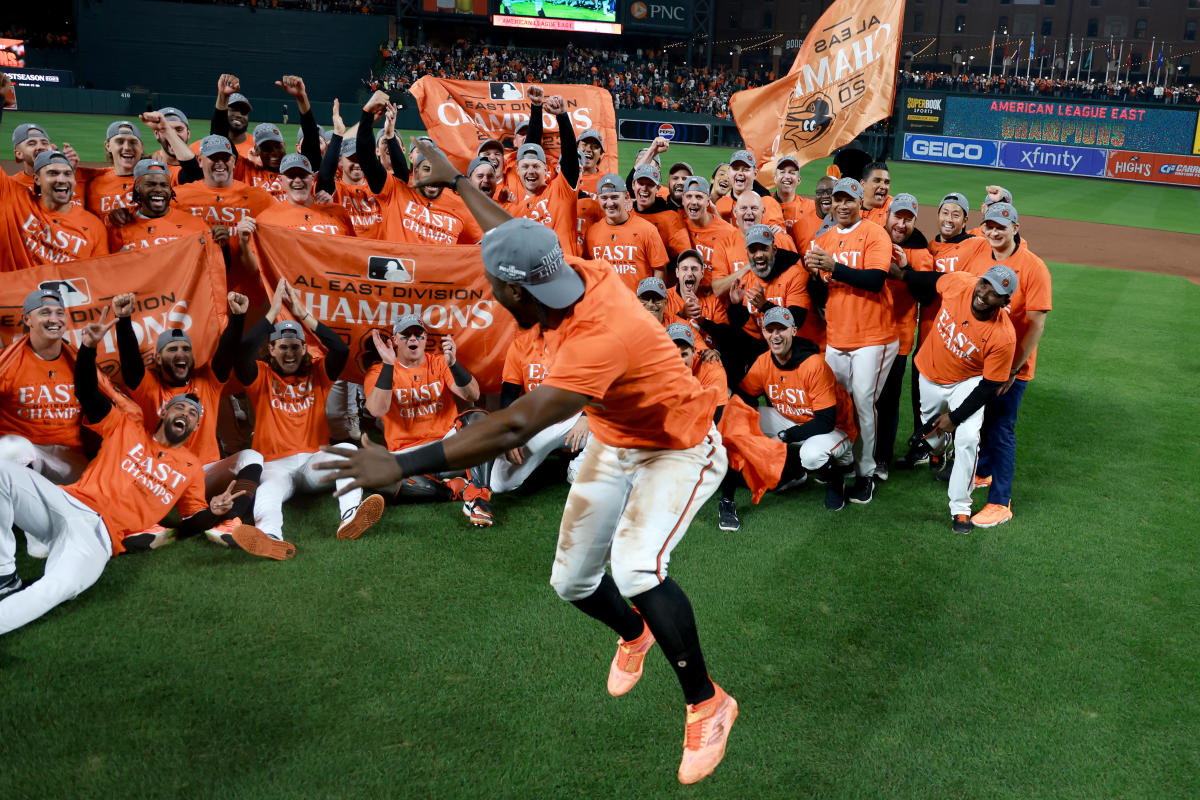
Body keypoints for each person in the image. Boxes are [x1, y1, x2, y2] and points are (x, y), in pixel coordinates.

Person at [319, 142, 738, 785]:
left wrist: (399, 466)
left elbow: (513, 423)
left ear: (511, 291)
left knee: (633, 565)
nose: (491, 289)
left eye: (495, 286)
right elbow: (512, 238)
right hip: (614, 436)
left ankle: (707, 702)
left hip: (677, 447)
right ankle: (635, 634)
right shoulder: (559, 274)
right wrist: (459, 179)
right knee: (572, 582)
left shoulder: (600, 333)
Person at [0, 309, 287, 631]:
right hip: (65, 503)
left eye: (194, 414)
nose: (187, 415)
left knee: (59, 588)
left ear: (195, 426)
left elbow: (192, 521)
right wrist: (89, 349)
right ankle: (3, 572)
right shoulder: (126, 427)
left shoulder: (191, 468)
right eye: (180, 407)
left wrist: (217, 512)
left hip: (99, 537)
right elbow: (86, 392)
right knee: (2, 467)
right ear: (164, 411)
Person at [234, 280, 384, 545]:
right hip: (275, 464)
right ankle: (270, 535)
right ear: (271, 350)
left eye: (295, 346)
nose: (289, 352)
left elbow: (340, 349)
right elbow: (242, 352)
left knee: (348, 450)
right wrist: (273, 313)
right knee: (267, 489)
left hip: (313, 461)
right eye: (283, 346)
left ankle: (350, 516)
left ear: (304, 348)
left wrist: (303, 315)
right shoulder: (261, 374)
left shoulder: (318, 372)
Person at [899, 265, 1018, 534]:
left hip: (968, 382)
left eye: (995, 292)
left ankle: (960, 508)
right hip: (929, 374)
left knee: (966, 438)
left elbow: (988, 386)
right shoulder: (962, 284)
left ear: (1004, 302)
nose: (984, 293)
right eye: (985, 284)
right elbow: (932, 280)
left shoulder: (1003, 336)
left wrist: (954, 418)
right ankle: (938, 449)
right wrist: (904, 273)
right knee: (932, 438)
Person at [804, 177, 896, 504]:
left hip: (874, 335)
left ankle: (866, 471)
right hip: (838, 335)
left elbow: (874, 280)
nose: (842, 205)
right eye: (837, 199)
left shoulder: (875, 233)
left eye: (849, 200)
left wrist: (834, 267)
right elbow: (819, 294)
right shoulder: (824, 239)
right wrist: (814, 275)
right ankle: (841, 460)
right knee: (835, 404)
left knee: (863, 403)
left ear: (860, 204)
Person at [962, 203, 1052, 528]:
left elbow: (1036, 324)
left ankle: (1000, 503)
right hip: (980, 360)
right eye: (989, 225)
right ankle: (983, 473)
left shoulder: (1033, 267)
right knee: (984, 421)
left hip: (1013, 366)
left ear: (1016, 227)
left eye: (1002, 225)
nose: (995, 232)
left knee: (1001, 429)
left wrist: (1013, 369)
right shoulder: (979, 255)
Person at [362, 315, 495, 527]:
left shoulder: (440, 362)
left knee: (478, 417)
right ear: (395, 340)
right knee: (368, 471)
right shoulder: (378, 371)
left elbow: (473, 395)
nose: (412, 338)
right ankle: (452, 489)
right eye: (405, 335)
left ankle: (479, 496)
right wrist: (389, 365)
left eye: (418, 334)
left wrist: (454, 365)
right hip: (408, 457)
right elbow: (377, 409)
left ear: (425, 339)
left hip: (447, 449)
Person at [737, 306, 857, 512]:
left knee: (811, 455)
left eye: (781, 329)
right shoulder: (764, 362)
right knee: (742, 417)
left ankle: (836, 475)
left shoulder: (813, 364)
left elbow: (825, 420)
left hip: (835, 427)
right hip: (796, 420)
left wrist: (783, 436)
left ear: (793, 330)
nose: (775, 336)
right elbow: (743, 398)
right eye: (770, 330)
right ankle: (791, 471)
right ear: (764, 332)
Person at [874, 194, 932, 478]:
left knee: (887, 400)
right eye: (898, 216)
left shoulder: (921, 253)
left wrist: (907, 269)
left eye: (908, 219)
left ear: (914, 222)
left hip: (897, 338)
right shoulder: (873, 238)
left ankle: (881, 458)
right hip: (864, 335)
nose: (901, 223)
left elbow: (926, 295)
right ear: (888, 216)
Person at [491, 325, 590, 491]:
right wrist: (511, 433)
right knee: (500, 484)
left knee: (617, 425)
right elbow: (509, 395)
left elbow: (603, 385)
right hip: (538, 423)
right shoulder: (520, 345)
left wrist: (587, 416)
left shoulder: (581, 342)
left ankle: (578, 468)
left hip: (574, 420)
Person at [0, 148, 108, 268]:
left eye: (67, 174)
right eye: (53, 173)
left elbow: (97, 274)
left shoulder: (94, 226)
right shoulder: (15, 199)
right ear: (37, 179)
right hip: (18, 285)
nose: (62, 180)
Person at [105, 158, 214, 252]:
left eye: (164, 185)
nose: (158, 190)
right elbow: (110, 270)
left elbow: (211, 266)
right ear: (137, 187)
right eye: (151, 184)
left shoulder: (196, 225)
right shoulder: (121, 227)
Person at [583, 172, 669, 292]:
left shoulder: (647, 230)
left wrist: (649, 301)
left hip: (636, 306)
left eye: (614, 197)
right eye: (604, 198)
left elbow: (660, 269)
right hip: (605, 304)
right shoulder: (592, 232)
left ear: (627, 197)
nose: (609, 203)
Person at [859, 161, 893, 228]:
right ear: (863, 184)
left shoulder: (894, 207)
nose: (883, 186)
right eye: (877, 181)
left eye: (887, 182)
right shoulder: (851, 206)